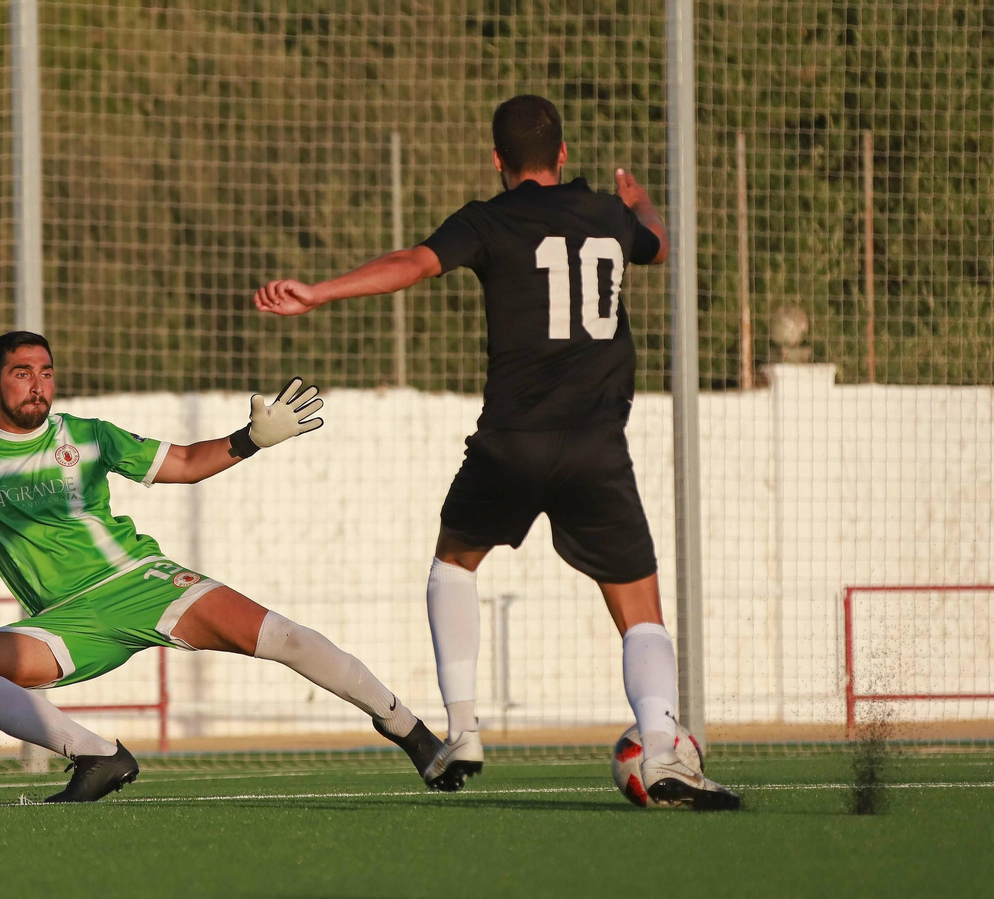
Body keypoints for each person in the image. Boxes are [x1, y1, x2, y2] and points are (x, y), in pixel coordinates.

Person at [252, 95, 739, 809]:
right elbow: (659, 245)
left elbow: (412, 263)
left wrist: (319, 292)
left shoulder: (487, 219)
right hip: (597, 446)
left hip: (511, 441)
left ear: (497, 160)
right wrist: (642, 204)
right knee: (640, 610)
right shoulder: (608, 213)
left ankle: (464, 727)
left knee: (454, 562)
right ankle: (663, 747)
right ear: (564, 154)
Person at [0, 330, 470, 802]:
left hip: (140, 582)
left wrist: (249, 440)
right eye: (20, 372)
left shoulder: (89, 435)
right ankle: (99, 757)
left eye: (44, 370)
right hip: (67, 621)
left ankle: (414, 736)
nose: (36, 383)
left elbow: (182, 462)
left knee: (285, 638)